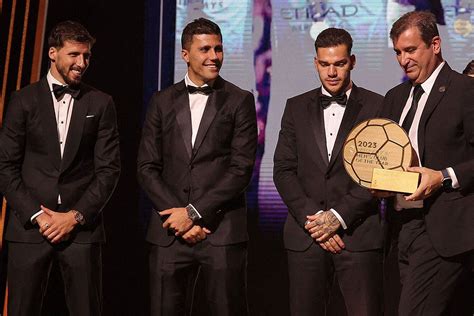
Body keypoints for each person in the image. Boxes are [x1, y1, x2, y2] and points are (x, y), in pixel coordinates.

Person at [137, 18, 257, 315]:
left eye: (218, 49)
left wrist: (192, 213)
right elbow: (147, 167)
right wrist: (176, 217)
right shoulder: (161, 101)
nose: (214, 56)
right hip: (169, 233)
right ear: (185, 54)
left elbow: (240, 169)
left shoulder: (240, 100)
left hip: (221, 231)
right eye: (205, 49)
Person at [0, 20, 120, 315]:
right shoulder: (22, 100)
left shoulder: (101, 103)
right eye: (74, 55)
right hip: (29, 230)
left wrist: (74, 217)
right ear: (53, 53)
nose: (82, 63)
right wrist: (39, 216)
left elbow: (109, 170)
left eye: (87, 56)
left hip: (81, 232)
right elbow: (6, 167)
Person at [273, 28, 384, 316]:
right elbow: (283, 170)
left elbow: (380, 173)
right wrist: (316, 222)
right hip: (305, 236)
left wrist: (337, 217)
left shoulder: (378, 105)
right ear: (315, 63)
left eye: (340, 63)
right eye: (324, 64)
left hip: (358, 235)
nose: (331, 72)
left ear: (353, 61)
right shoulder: (295, 106)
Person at [380, 11, 474, 315]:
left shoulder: (464, 91)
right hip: (401, 227)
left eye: (410, 50)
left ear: (435, 44)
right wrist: (379, 184)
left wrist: (444, 177)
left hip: (442, 228)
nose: (403, 60)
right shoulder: (395, 97)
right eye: (397, 52)